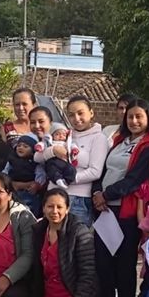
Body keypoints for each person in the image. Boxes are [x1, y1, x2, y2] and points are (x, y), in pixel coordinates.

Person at [91, 99, 149, 297]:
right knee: (103, 260)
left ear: (148, 118)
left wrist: (107, 194)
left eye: (139, 116)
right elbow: (103, 170)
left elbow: (134, 179)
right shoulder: (119, 141)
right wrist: (98, 193)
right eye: (130, 116)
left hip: (126, 210)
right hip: (105, 209)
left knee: (124, 262)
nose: (134, 121)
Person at [22, 189, 97, 297]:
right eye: (50, 206)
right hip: (49, 295)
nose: (54, 211)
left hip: (71, 293)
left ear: (68, 209)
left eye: (59, 207)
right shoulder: (39, 230)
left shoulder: (79, 232)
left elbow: (88, 273)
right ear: (43, 208)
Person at [54, 95, 109, 227]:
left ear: (91, 113)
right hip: (57, 196)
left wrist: (68, 179)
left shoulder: (99, 138)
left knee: (77, 242)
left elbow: (95, 171)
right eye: (71, 115)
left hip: (79, 200)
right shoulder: (66, 136)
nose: (76, 119)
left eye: (80, 113)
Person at [5, 134, 44, 214]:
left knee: (28, 211)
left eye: (25, 146)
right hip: (12, 191)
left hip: (29, 192)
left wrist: (37, 185)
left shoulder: (35, 163)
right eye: (19, 145)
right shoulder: (12, 160)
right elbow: (5, 172)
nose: (21, 148)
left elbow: (41, 175)